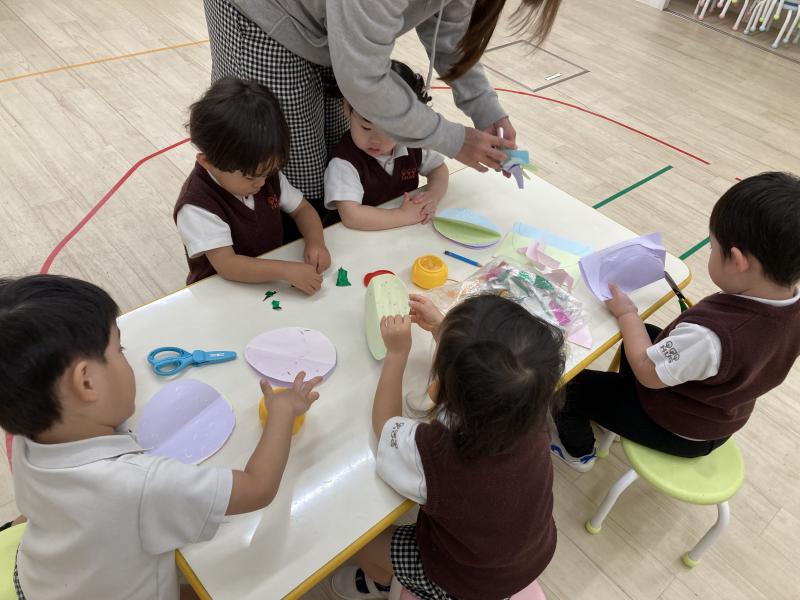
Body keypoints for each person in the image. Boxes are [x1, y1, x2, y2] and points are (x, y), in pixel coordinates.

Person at [0, 274, 322, 600]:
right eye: (119, 350)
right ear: (87, 384)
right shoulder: (140, 486)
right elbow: (258, 489)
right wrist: (281, 414)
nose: (128, 359)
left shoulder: (31, 439)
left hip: (37, 583)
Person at [202, 0, 562, 217]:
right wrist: (452, 139)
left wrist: (488, 111)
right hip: (265, 17)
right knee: (292, 166)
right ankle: (264, 248)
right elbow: (364, 79)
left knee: (327, 158)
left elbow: (450, 36)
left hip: (329, 26)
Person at [551, 172, 800, 472]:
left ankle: (578, 452)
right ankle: (614, 411)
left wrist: (628, 313)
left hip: (680, 425)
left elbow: (648, 374)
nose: (711, 251)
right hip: (720, 407)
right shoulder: (790, 304)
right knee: (650, 335)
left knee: (569, 385)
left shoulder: (711, 338)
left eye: (712, 246)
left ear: (737, 260)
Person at [331, 294, 565, 600]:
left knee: (357, 539)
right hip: (530, 556)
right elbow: (488, 371)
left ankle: (381, 581)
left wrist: (397, 354)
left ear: (441, 386)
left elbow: (385, 425)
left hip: (462, 581)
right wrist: (445, 329)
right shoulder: (528, 412)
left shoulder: (437, 454)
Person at [174, 77, 330, 292]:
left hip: (266, 285)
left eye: (268, 173)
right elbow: (228, 265)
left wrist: (316, 242)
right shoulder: (196, 205)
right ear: (208, 163)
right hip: (220, 292)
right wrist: (286, 271)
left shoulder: (262, 173)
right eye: (250, 177)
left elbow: (302, 209)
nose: (262, 183)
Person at [324, 60, 449, 230]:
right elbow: (352, 216)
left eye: (390, 131)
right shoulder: (344, 162)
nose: (376, 140)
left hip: (400, 234)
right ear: (348, 107)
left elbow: (439, 169)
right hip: (358, 241)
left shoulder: (410, 144)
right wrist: (402, 216)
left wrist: (433, 195)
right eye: (366, 127)